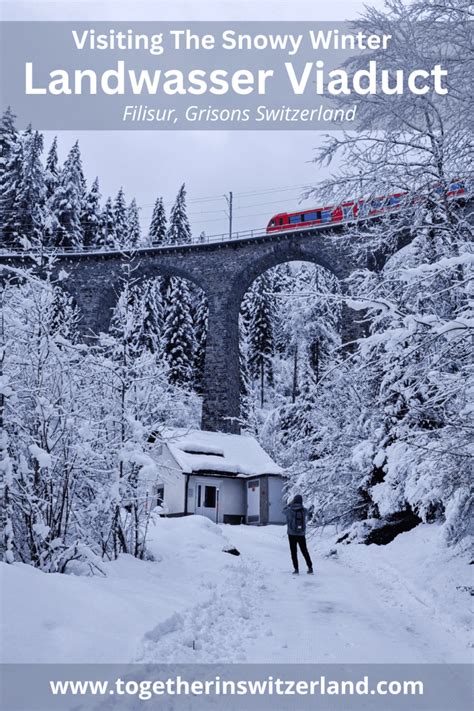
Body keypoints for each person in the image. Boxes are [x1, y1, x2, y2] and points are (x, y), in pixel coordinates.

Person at [283, 494, 313, 575]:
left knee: (293, 551)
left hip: (291, 534)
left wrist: (290, 504)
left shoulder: (289, 510)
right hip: (301, 534)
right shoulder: (304, 510)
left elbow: (283, 511)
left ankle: (296, 569)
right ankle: (310, 567)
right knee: (304, 551)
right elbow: (309, 513)